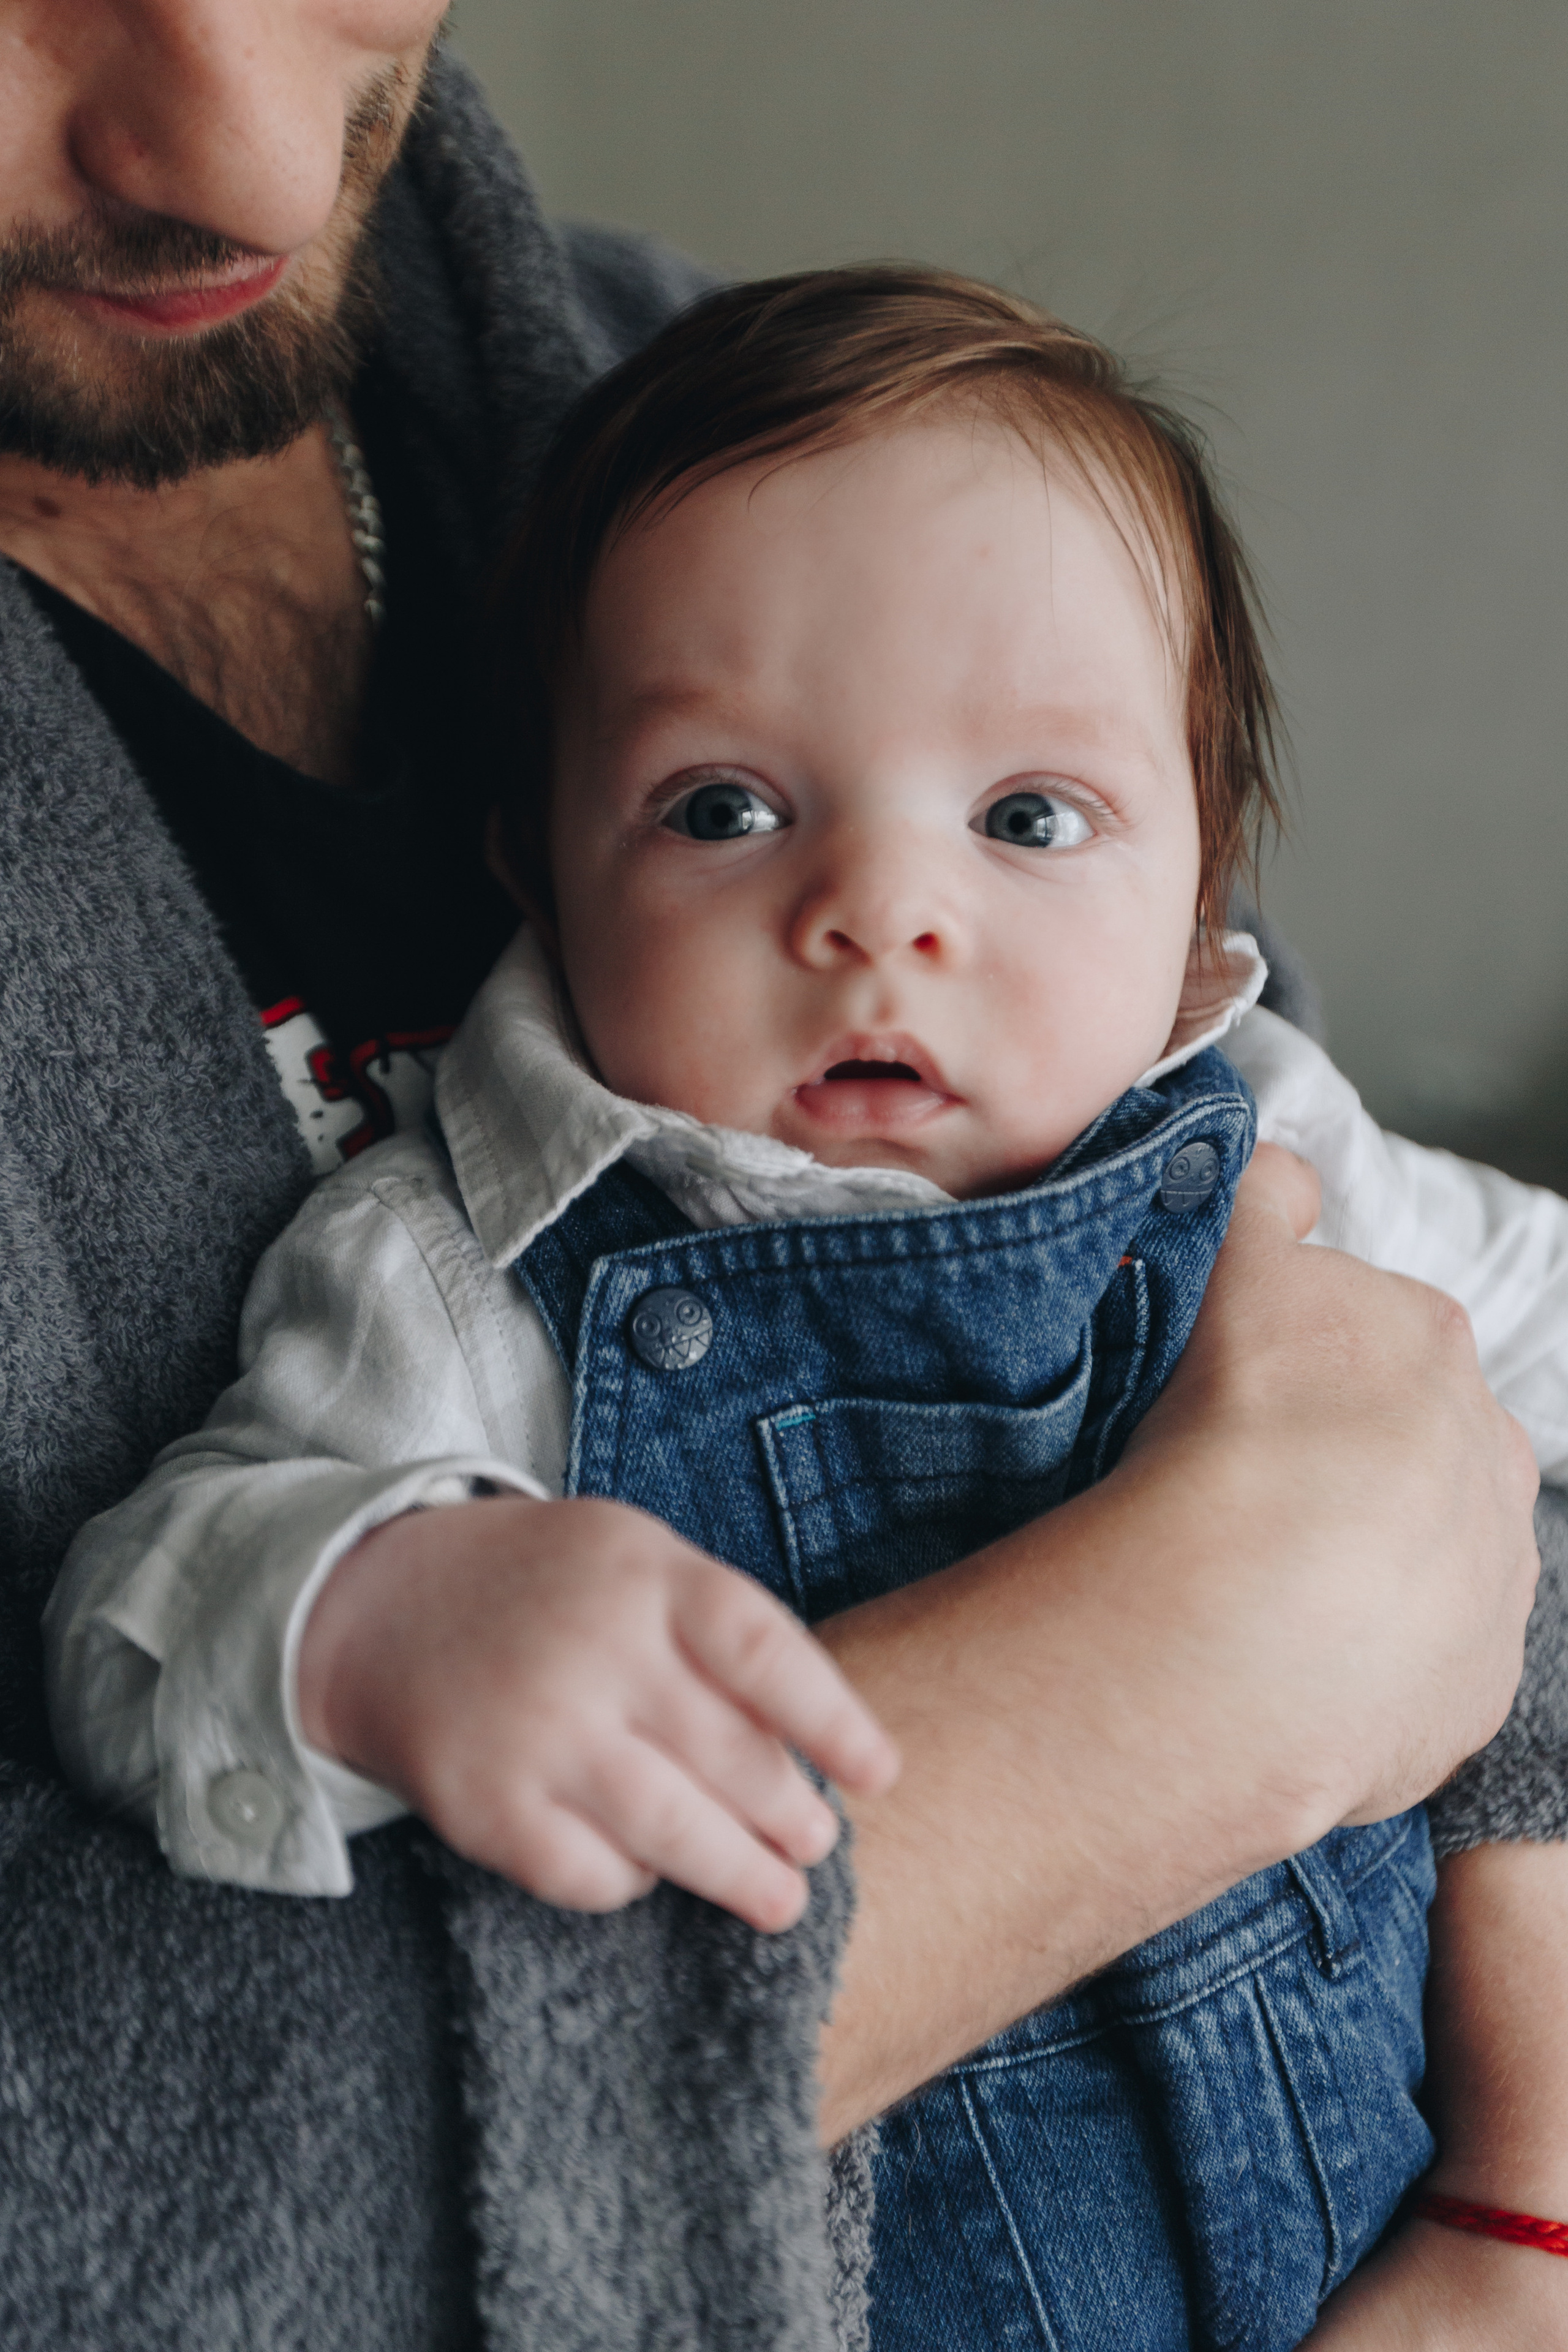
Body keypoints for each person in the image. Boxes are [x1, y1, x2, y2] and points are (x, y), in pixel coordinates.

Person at [0, 7, 1550, 2347]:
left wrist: (1524, 2207)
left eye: (1033, 824)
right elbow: (172, 1586)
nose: (887, 920)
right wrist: (384, 1614)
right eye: (725, 813)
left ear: (1201, 890)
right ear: (534, 864)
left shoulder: (1232, 1097)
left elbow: (1522, 1393)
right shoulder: (471, 1269)